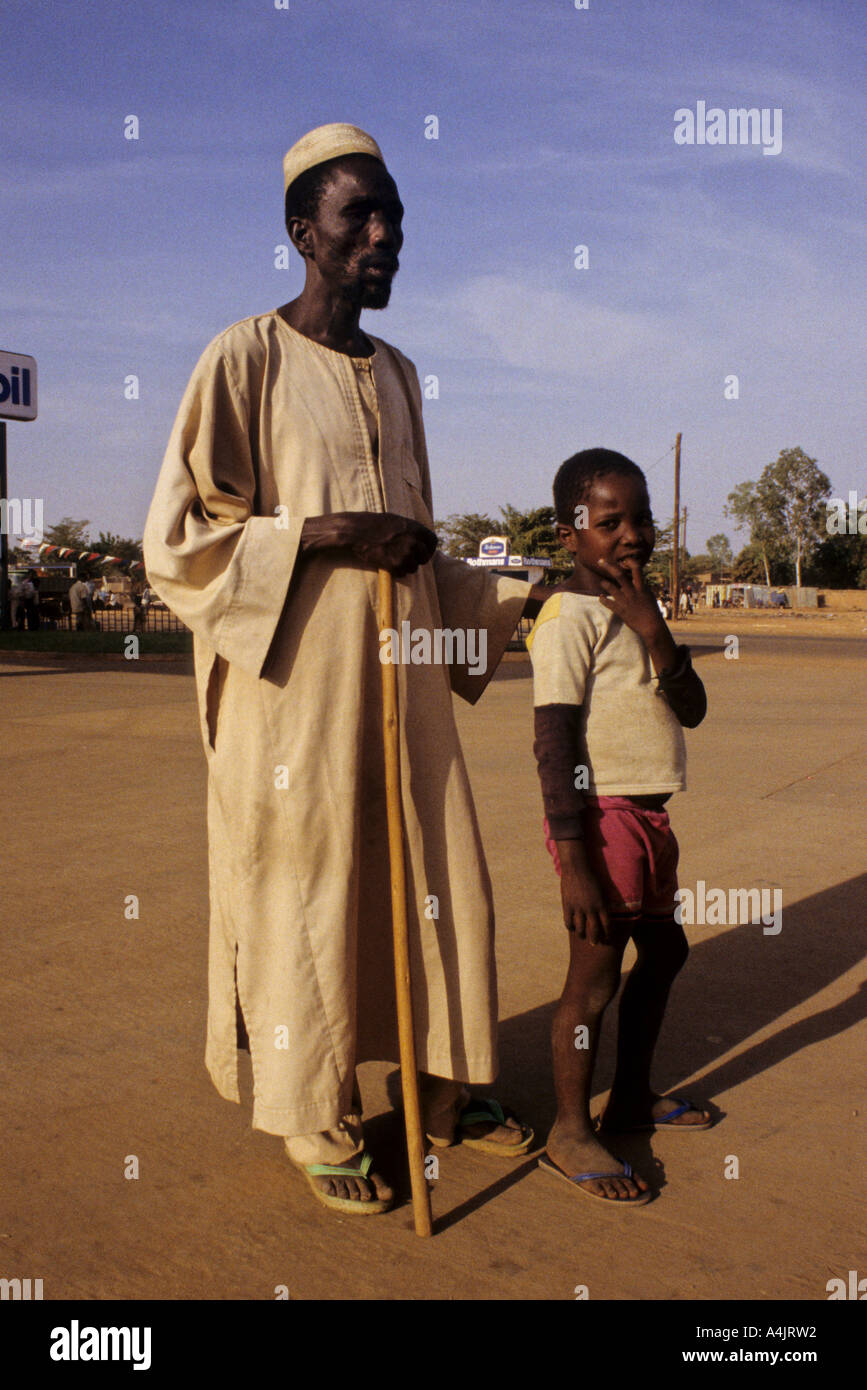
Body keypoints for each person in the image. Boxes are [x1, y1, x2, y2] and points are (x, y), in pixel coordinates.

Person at [143, 123, 545, 1216]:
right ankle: (313, 1112)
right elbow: (178, 540)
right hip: (292, 706)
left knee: (437, 879)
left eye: (395, 216)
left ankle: (441, 1084)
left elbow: (414, 546)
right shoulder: (245, 358)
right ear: (301, 234)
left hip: (405, 687)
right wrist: (320, 536)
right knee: (306, 898)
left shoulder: (403, 376)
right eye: (359, 215)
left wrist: (518, 593)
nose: (384, 235)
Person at [527, 448, 711, 1207]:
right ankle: (570, 1130)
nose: (631, 534)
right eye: (610, 522)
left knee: (663, 950)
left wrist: (651, 627)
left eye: (641, 519)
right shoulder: (566, 618)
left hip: (649, 815)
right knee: (592, 981)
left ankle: (630, 1099)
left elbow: (692, 708)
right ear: (570, 533)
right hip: (600, 821)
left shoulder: (638, 606)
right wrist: (574, 860)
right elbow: (554, 742)